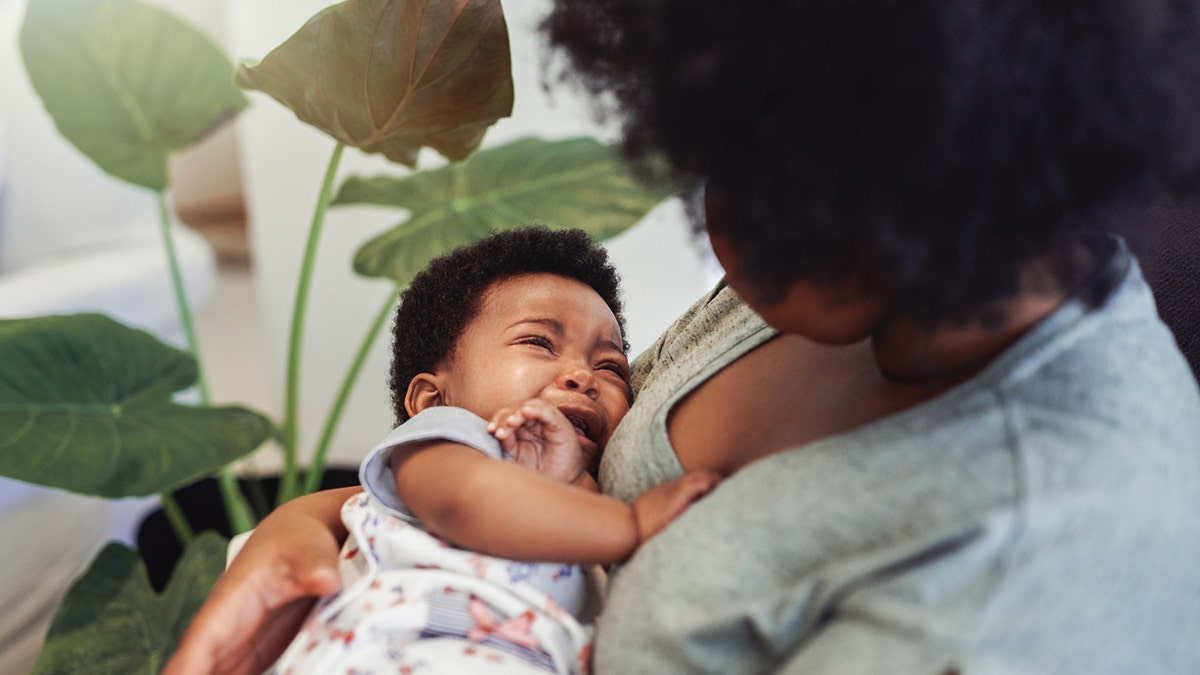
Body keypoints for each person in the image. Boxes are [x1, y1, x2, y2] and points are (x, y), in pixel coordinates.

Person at [168, 1, 1200, 673]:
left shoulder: (1039, 572)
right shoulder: (844, 271)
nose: (722, 223)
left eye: (771, 183)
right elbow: (457, 484)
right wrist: (303, 534)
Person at [258, 227, 719, 674]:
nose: (583, 375)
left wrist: (577, 486)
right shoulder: (444, 440)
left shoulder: (595, 506)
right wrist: (634, 525)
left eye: (611, 367)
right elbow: (469, 502)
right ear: (432, 399)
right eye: (539, 342)